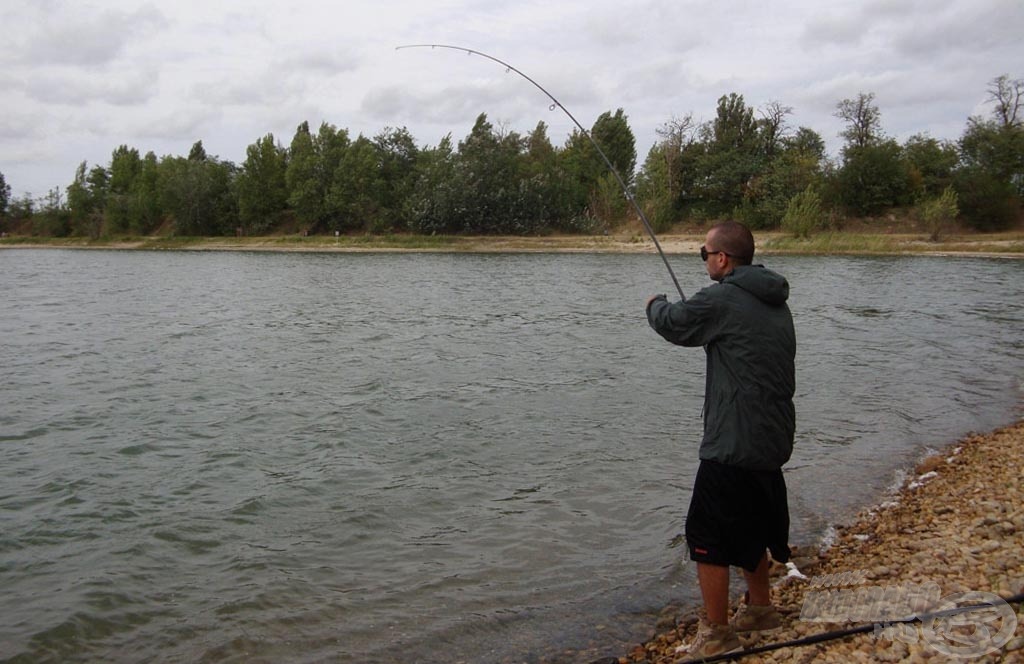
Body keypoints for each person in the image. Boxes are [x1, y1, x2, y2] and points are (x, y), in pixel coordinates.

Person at [645, 220, 796, 658]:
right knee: (753, 525)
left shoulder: (724, 297)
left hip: (732, 442)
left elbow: (674, 323)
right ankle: (761, 609)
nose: (705, 259)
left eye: (705, 253)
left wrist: (655, 302)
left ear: (723, 258)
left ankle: (715, 634)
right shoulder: (774, 301)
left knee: (705, 536)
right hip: (772, 440)